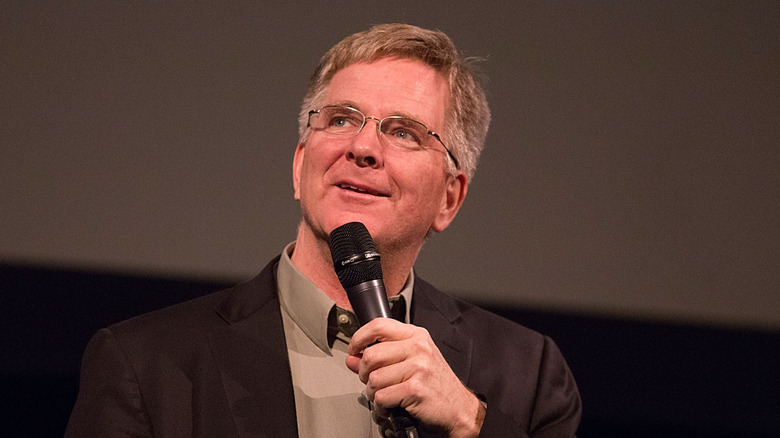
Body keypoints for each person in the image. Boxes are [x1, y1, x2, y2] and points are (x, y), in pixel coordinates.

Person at [65, 23, 581, 437]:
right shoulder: (147, 365)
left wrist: (472, 423)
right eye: (339, 120)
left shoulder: (527, 375)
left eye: (403, 132)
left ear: (449, 198)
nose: (362, 147)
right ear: (300, 166)